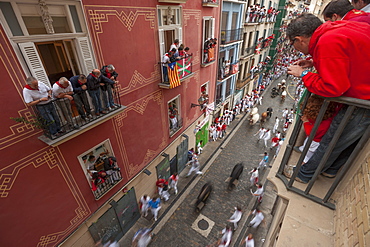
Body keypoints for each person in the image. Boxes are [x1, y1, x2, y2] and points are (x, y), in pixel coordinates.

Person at [286, 13, 370, 183]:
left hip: (362, 99)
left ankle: (304, 175)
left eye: (292, 43)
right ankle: (330, 170)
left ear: (299, 39)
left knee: (333, 140)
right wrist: (314, 62)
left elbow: (333, 87)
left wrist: (304, 74)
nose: (293, 47)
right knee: (346, 141)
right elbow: (347, 57)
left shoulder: (326, 42)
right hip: (364, 95)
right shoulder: (334, 29)